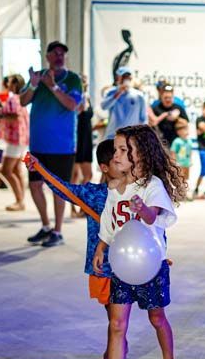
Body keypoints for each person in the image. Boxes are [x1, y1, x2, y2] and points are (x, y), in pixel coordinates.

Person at [80, 125, 186, 359]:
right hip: (121, 265)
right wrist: (101, 247)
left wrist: (144, 210)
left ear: (142, 156)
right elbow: (109, 221)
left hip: (150, 266)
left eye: (123, 150)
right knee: (116, 325)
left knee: (156, 319)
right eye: (115, 150)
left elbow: (156, 217)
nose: (116, 155)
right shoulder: (116, 187)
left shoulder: (152, 186)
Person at [23, 139, 129, 359]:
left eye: (127, 156)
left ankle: (117, 349)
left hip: (129, 265)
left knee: (117, 318)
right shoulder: (94, 194)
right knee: (111, 313)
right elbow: (64, 189)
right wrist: (40, 169)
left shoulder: (136, 193)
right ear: (104, 167)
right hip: (104, 266)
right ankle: (116, 344)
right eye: (117, 159)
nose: (124, 162)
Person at [20, 40, 82, 248]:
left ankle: (58, 231)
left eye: (62, 53)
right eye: (54, 53)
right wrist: (34, 84)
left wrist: (52, 86)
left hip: (62, 146)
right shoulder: (38, 76)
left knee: (58, 189)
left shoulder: (72, 79)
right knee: (35, 185)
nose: (59, 56)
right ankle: (46, 226)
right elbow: (23, 101)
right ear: (47, 56)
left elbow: (72, 104)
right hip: (38, 144)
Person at [0, 74, 30, 212]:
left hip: (15, 139)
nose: (7, 84)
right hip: (21, 138)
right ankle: (20, 199)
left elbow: (14, 116)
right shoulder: (22, 99)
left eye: (9, 82)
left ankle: (19, 200)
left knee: (6, 170)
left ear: (15, 84)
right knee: (16, 170)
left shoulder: (13, 99)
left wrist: (1, 113)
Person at [100, 66, 147, 139]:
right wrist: (118, 93)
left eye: (128, 77)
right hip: (113, 136)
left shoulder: (139, 96)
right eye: (123, 77)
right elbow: (103, 106)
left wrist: (141, 136)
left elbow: (143, 119)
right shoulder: (111, 92)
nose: (126, 79)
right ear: (117, 78)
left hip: (131, 137)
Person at [72, 73, 95, 217]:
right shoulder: (74, 97)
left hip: (87, 138)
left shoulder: (87, 98)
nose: (84, 82)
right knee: (74, 176)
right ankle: (72, 208)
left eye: (85, 80)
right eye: (81, 81)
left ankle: (82, 207)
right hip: (76, 138)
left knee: (88, 175)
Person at [149, 83, 188, 148]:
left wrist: (177, 118)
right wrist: (165, 115)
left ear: (173, 97)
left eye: (169, 98)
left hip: (175, 143)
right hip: (160, 143)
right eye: (165, 98)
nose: (168, 100)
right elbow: (151, 123)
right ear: (161, 97)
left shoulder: (178, 108)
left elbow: (185, 123)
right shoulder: (155, 108)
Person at [170, 118, 193, 198]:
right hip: (179, 163)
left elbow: (190, 152)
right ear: (178, 132)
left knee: (186, 178)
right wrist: (174, 162)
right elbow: (173, 152)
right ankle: (178, 194)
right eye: (184, 130)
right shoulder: (177, 141)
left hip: (186, 163)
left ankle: (185, 193)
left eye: (187, 129)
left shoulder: (189, 141)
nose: (186, 132)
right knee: (180, 178)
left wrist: (190, 160)